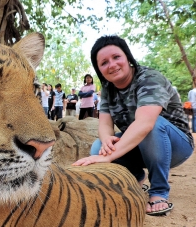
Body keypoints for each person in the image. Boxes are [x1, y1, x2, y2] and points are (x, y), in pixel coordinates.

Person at [73, 35, 194, 216]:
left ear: (128, 57)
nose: (112, 65)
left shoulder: (150, 78)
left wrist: (107, 158)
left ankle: (159, 191)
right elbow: (105, 124)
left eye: (116, 57)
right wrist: (106, 141)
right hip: (140, 145)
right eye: (104, 62)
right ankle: (135, 178)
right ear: (99, 69)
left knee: (153, 125)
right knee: (99, 146)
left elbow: (145, 124)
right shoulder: (107, 88)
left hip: (176, 145)